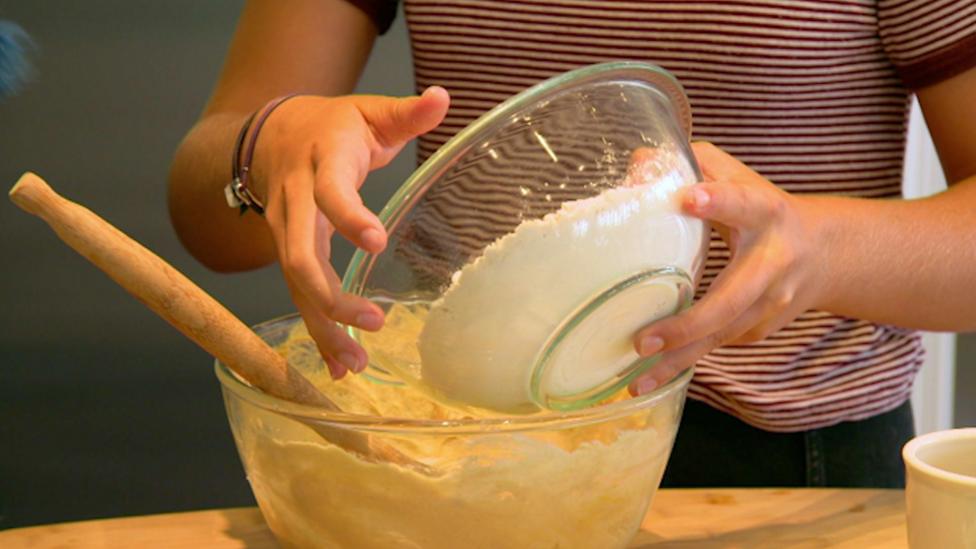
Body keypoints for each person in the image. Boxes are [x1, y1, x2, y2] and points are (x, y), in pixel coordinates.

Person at [169, 0, 976, 488]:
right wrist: (268, 142)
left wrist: (818, 250)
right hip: (461, 446)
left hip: (787, 462)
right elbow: (203, 211)